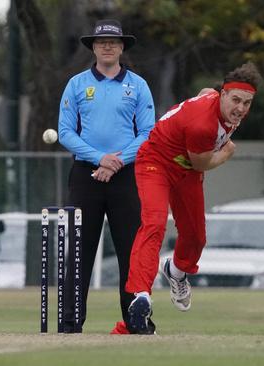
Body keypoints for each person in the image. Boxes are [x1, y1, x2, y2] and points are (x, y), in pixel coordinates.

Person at [125, 62, 263, 334]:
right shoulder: (203, 125)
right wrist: (227, 152)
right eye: (236, 100)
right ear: (222, 94)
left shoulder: (216, 98)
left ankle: (176, 271)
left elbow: (203, 92)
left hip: (185, 168)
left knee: (196, 236)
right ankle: (141, 295)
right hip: (156, 162)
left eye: (247, 102)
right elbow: (201, 164)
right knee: (153, 224)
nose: (241, 108)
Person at [58, 19, 156, 334]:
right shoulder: (77, 84)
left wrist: (115, 162)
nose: (108, 46)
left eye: (114, 42)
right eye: (102, 43)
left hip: (126, 175)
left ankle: (135, 320)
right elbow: (64, 132)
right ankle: (71, 320)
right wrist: (99, 158)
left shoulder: (138, 85)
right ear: (94, 47)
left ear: (122, 46)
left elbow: (148, 133)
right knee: (79, 249)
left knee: (131, 249)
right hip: (86, 175)